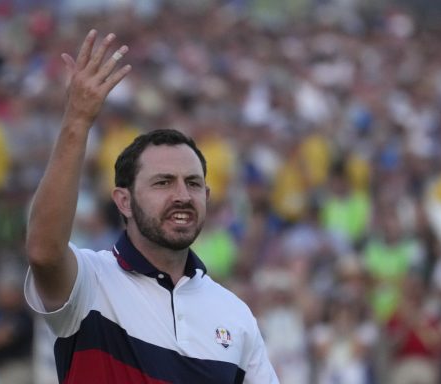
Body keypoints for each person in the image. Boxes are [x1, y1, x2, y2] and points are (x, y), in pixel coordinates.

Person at [23, 29, 279, 384]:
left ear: (207, 197)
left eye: (192, 184)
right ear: (123, 201)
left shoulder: (236, 316)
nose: (182, 195)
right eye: (162, 183)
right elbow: (43, 250)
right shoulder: (90, 283)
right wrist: (77, 121)